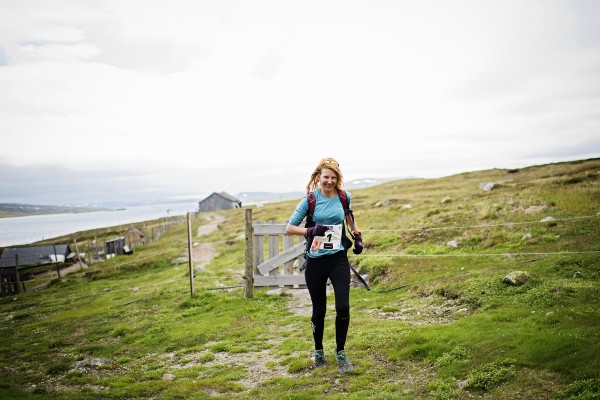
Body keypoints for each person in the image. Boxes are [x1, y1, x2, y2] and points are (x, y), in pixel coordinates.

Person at [286, 157, 363, 372]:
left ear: (338, 179)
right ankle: (318, 351)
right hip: (316, 261)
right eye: (325, 177)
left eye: (333, 177)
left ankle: (341, 352)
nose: (329, 181)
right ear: (319, 178)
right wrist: (310, 231)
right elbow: (290, 228)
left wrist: (357, 236)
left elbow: (349, 217)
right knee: (319, 311)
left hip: (338, 258)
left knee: (343, 307)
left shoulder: (344, 197)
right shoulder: (309, 200)